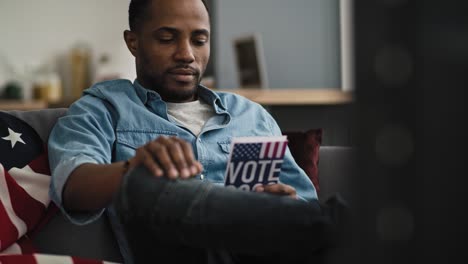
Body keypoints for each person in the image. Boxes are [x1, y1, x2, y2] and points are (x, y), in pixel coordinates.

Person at [48, 0, 347, 263]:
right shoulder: (104, 107)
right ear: (133, 42)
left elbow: (306, 207)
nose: (186, 54)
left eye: (199, 40)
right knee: (145, 184)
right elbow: (72, 184)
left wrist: (286, 201)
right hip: (180, 252)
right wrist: (134, 168)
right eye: (167, 38)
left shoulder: (250, 115)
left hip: (264, 252)